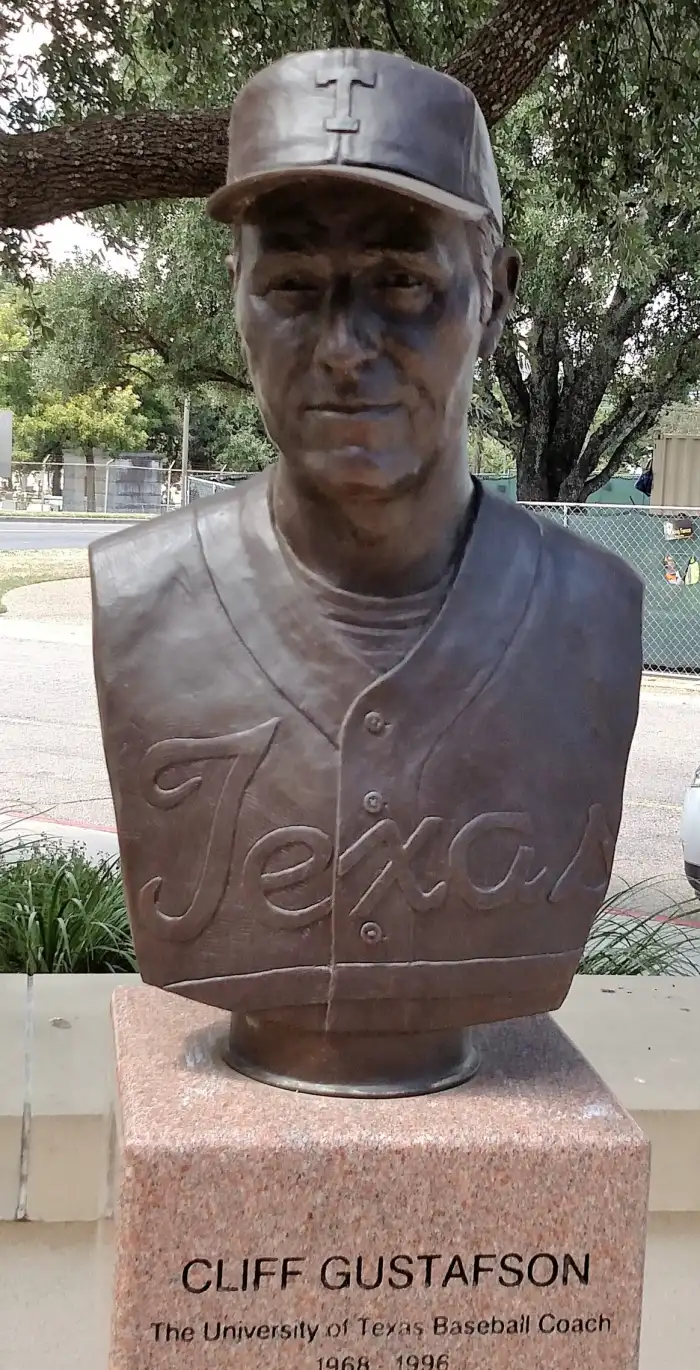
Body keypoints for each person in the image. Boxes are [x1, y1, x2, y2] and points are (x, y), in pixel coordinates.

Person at [90, 49, 643, 1095]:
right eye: (293, 286)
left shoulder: (591, 616)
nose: (345, 345)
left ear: (495, 291)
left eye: (401, 281)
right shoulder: (139, 596)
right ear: (235, 295)